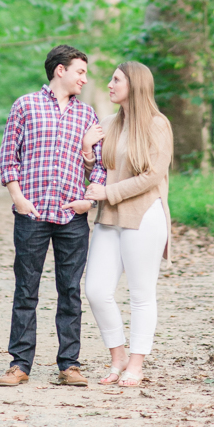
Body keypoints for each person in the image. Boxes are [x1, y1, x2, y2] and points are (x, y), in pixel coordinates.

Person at [0, 43, 106, 388]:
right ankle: (19, 364)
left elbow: (100, 166)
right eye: (80, 72)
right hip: (31, 212)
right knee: (26, 289)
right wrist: (18, 197)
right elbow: (8, 156)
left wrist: (89, 202)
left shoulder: (87, 115)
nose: (84, 79)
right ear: (61, 70)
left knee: (70, 290)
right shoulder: (25, 105)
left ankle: (69, 365)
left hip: (72, 215)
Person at [82, 60, 173, 387]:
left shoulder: (158, 125)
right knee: (95, 290)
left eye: (116, 79)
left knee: (141, 293)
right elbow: (98, 173)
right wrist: (87, 153)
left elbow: (152, 176)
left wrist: (109, 192)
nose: (109, 84)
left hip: (144, 216)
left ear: (134, 85)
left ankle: (136, 363)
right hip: (109, 216)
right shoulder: (107, 122)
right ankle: (117, 356)